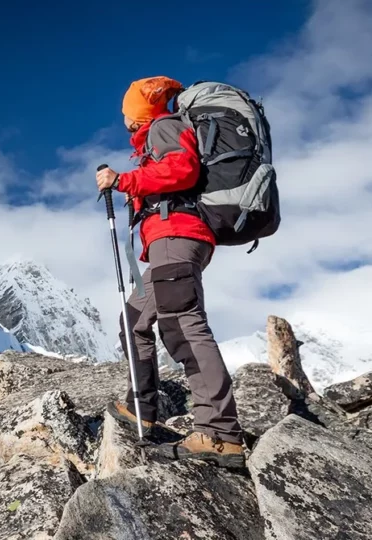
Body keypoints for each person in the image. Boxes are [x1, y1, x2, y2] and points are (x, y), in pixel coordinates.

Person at [95, 76, 246, 468]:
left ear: (138, 111)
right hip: (169, 241)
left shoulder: (163, 127)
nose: (123, 117)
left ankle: (219, 433)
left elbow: (183, 170)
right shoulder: (155, 137)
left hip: (176, 236)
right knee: (134, 319)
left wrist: (123, 180)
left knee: (182, 324)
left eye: (126, 109)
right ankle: (141, 408)